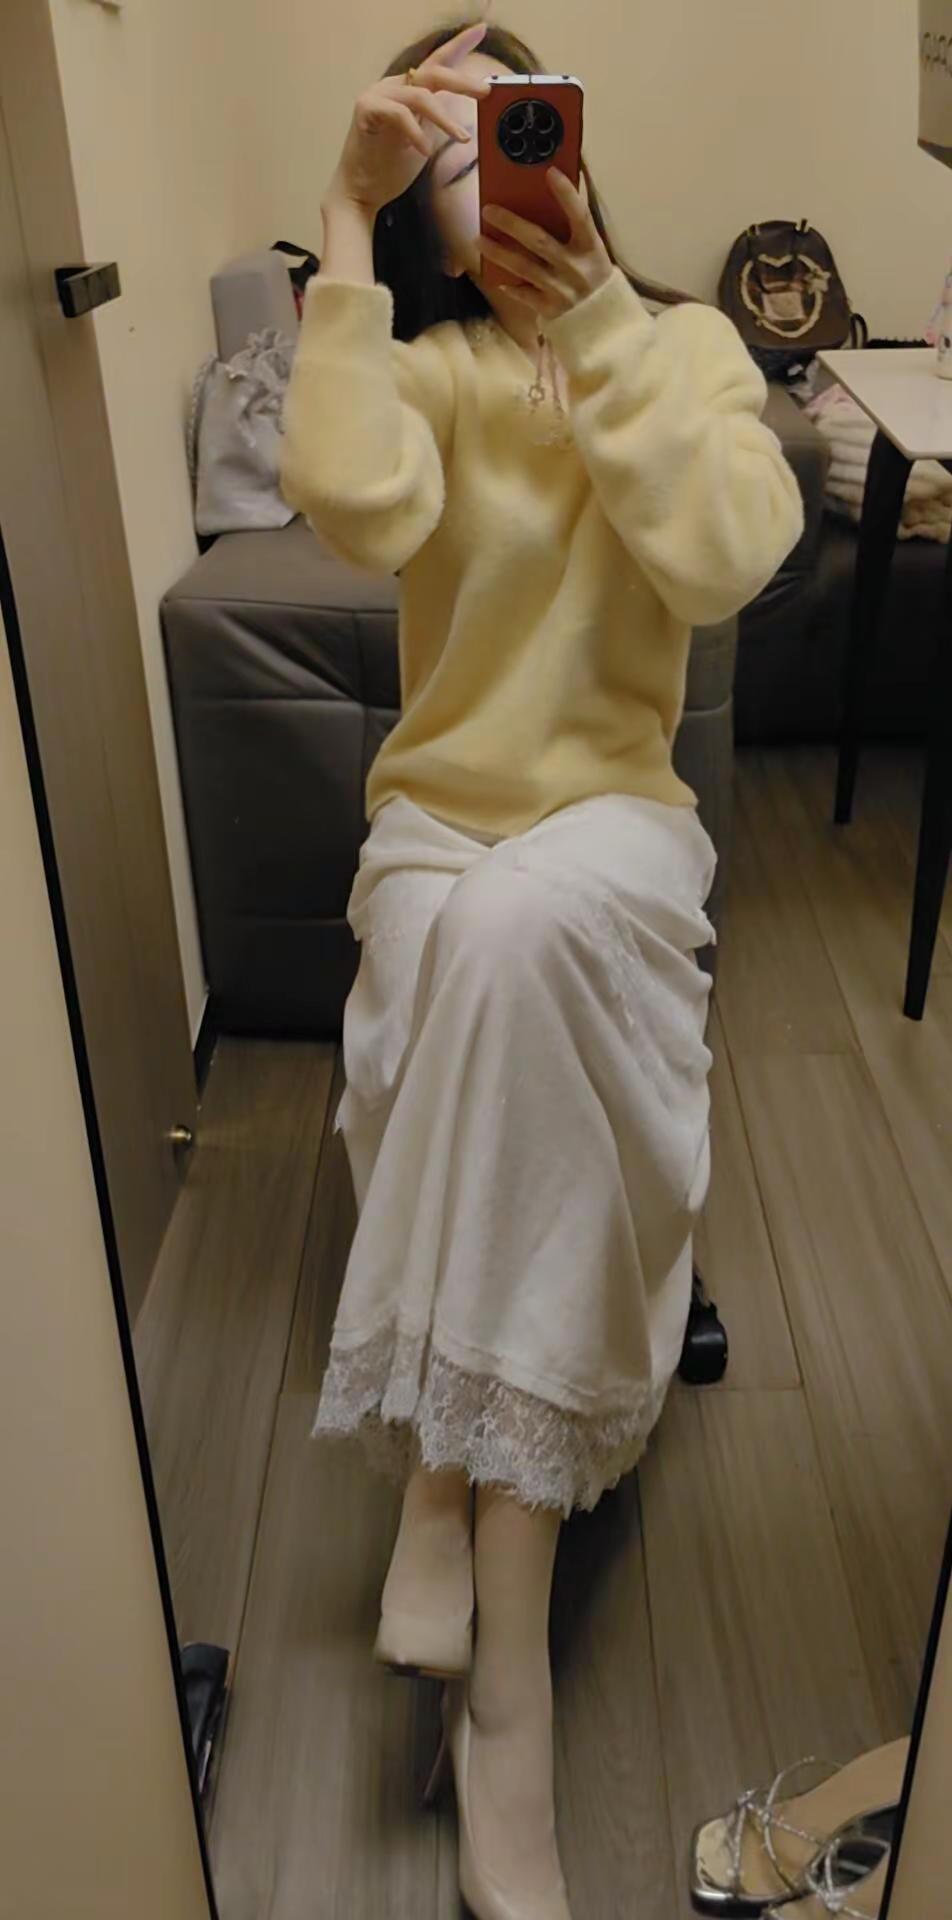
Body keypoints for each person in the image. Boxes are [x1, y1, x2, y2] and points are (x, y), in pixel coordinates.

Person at [281, 21, 803, 1918]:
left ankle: (461, 1544)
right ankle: (507, 1672)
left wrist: (597, 326)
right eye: (439, 156)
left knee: (521, 935)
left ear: (570, 154)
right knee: (485, 932)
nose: (487, 175)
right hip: (442, 825)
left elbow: (730, 558)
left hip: (613, 823)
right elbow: (354, 506)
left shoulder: (685, 349)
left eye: (514, 132)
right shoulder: (415, 371)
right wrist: (341, 225)